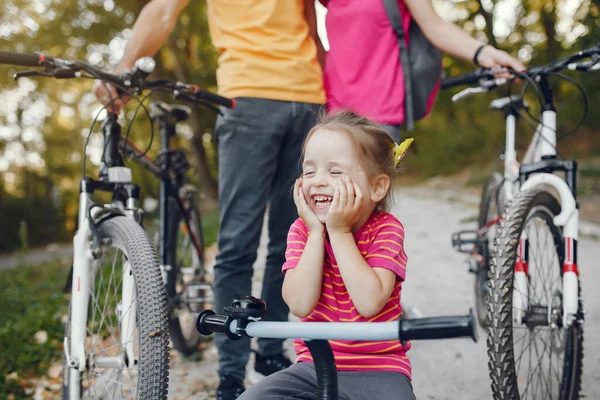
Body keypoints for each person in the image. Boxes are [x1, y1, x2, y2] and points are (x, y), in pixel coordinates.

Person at [93, 1, 325, 399]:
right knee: (238, 242)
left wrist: (330, 96)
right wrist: (123, 71)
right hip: (247, 98)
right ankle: (232, 373)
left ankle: (269, 353)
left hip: (309, 98)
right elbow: (162, 11)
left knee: (293, 240)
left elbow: (310, 27)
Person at [238, 110, 416, 400]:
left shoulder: (386, 229)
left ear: (377, 187)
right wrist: (318, 233)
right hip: (313, 367)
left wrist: (340, 232)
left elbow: (369, 303)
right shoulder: (302, 231)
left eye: (335, 172)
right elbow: (300, 304)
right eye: (309, 171)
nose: (318, 181)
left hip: (380, 368)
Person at [314, 0, 526, 142]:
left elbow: (436, 27)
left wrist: (486, 53)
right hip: (331, 110)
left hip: (378, 114)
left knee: (366, 203)